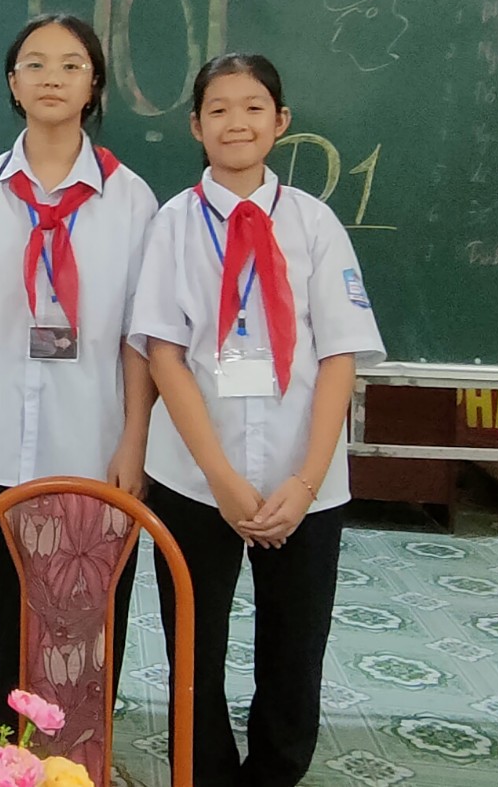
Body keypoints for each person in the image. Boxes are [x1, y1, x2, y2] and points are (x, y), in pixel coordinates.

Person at [128, 52, 386, 787]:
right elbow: (165, 355)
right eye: (218, 109)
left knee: (295, 647)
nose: (235, 122)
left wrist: (305, 482)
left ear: (280, 121)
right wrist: (220, 477)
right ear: (195, 125)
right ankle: (205, 773)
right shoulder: (174, 224)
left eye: (252, 107)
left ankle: (275, 772)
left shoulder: (314, 223)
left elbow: (340, 355)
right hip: (193, 479)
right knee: (193, 647)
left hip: (306, 482)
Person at [0, 14, 157, 735]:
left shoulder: (131, 200)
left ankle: (84, 749)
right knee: (11, 602)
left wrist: (134, 439)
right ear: (13, 83)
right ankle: (17, 753)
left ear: (94, 84)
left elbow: (138, 337)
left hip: (92, 441)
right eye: (34, 64)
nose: (52, 78)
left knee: (94, 605)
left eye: (71, 65)